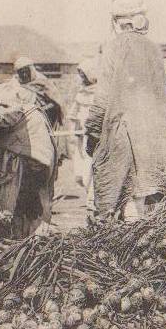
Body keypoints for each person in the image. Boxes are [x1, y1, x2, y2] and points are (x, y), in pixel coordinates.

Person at [84, 0, 166, 220]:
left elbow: (103, 96)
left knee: (116, 203)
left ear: (117, 22)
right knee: (151, 203)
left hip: (122, 134)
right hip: (155, 136)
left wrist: (93, 132)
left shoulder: (115, 46)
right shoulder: (154, 49)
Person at [0, 56, 64, 239]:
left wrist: (30, 196)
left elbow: (42, 164)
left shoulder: (32, 120)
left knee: (27, 224)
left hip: (26, 181)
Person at [68, 58, 99, 219]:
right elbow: (73, 114)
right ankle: (89, 195)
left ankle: (92, 200)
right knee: (81, 170)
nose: (82, 77)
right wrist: (75, 130)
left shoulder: (100, 93)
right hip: (81, 138)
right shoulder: (81, 92)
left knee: (90, 169)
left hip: (93, 137)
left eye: (84, 74)